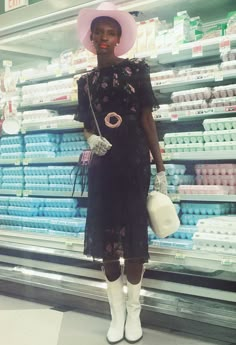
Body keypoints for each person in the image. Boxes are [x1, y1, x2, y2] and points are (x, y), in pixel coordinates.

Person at [76, 2, 167, 344]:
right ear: (90, 37)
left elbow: (147, 120)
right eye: (98, 31)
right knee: (107, 240)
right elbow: (85, 125)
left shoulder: (136, 72)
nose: (103, 37)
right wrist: (91, 138)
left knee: (133, 239)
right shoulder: (85, 82)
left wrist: (160, 168)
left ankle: (133, 313)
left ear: (118, 38)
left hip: (132, 162)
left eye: (110, 32)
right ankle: (115, 315)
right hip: (103, 165)